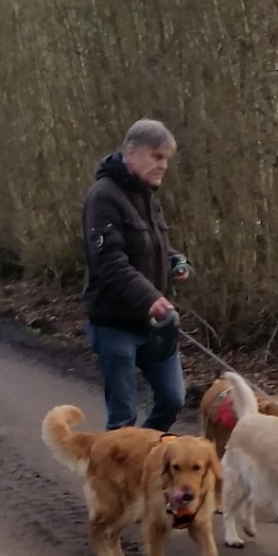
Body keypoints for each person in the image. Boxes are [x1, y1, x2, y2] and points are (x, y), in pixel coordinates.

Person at [82, 118, 190, 432]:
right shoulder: (103, 196)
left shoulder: (148, 197)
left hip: (155, 326)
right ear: (131, 152)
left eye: (166, 159)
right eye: (156, 156)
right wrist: (151, 297)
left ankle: (142, 453)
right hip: (114, 326)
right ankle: (123, 461)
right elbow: (109, 262)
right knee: (123, 417)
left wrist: (175, 260)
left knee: (173, 399)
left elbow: (152, 247)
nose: (163, 165)